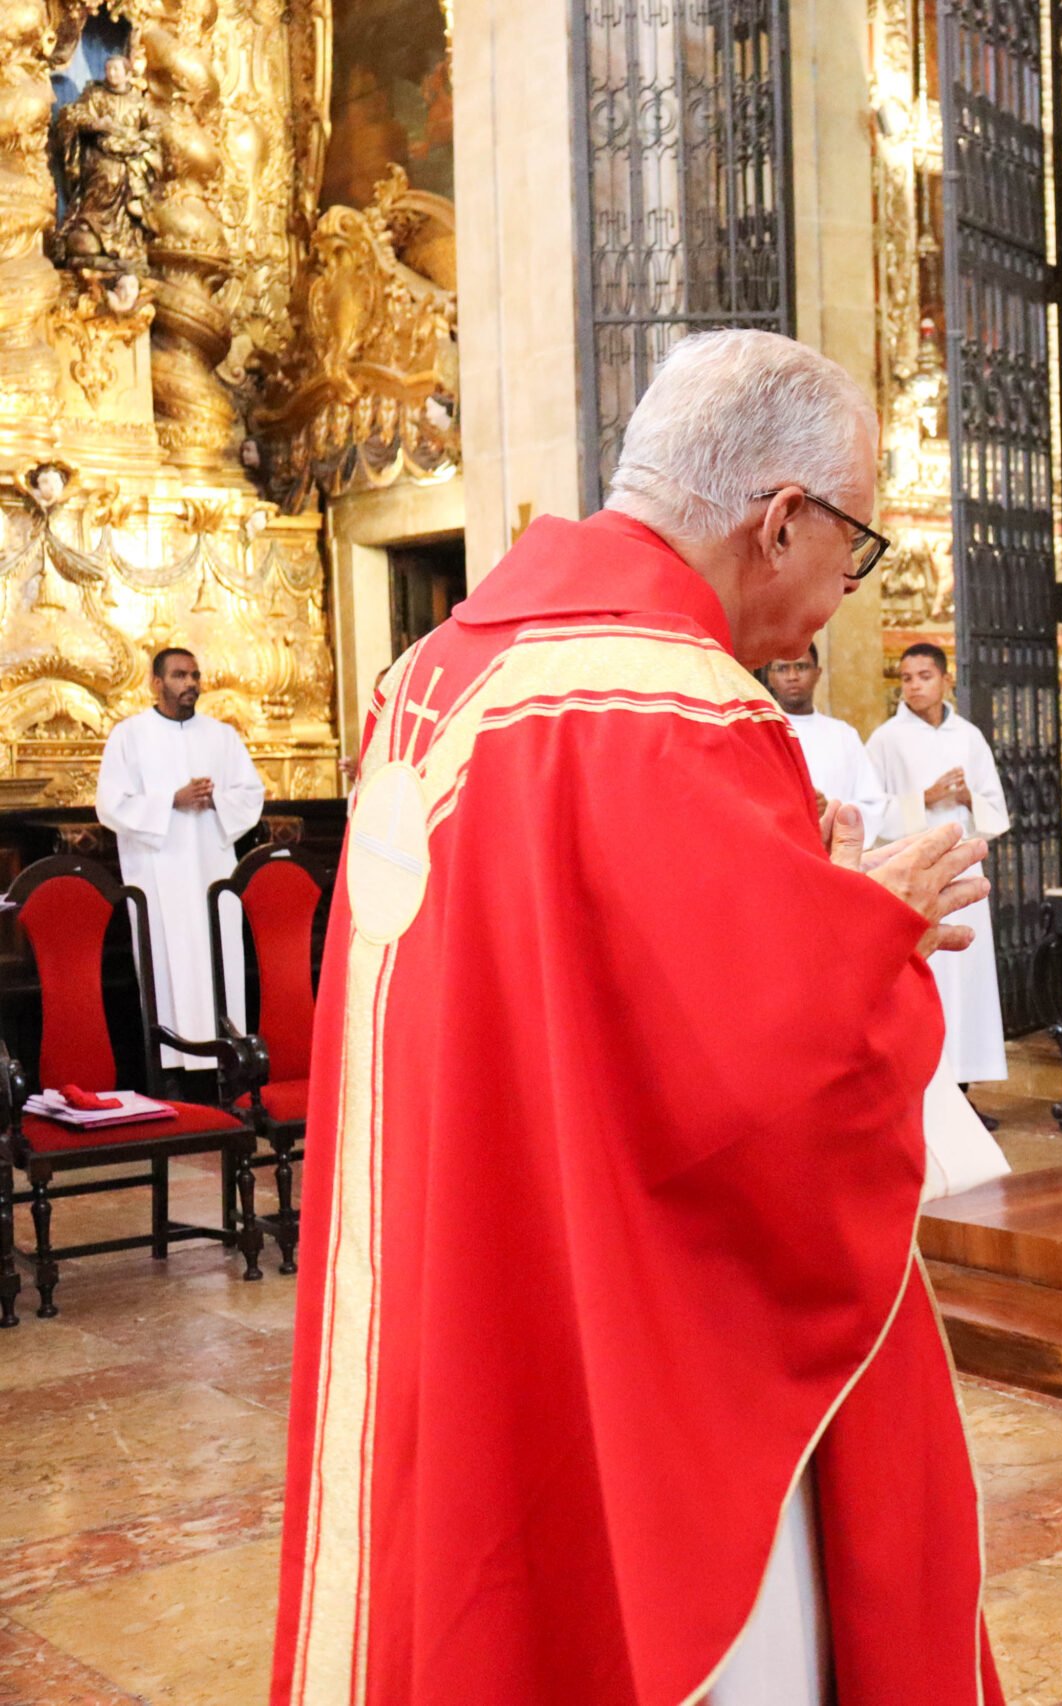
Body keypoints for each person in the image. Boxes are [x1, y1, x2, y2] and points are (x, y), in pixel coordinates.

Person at [270, 329, 1004, 1706]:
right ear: (780, 520)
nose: (845, 592)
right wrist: (870, 928)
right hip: (645, 1315)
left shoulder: (434, 674)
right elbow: (755, 1083)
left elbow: (591, 976)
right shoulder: (679, 705)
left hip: (458, 1236)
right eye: (855, 546)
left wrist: (796, 895)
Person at [95, 647, 266, 1067]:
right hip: (159, 875)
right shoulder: (129, 736)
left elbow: (251, 794)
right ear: (156, 683)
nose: (190, 683)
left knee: (218, 961)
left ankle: (226, 1061)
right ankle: (172, 1068)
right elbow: (110, 805)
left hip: (212, 869)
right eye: (179, 675)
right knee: (168, 967)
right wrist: (172, 801)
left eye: (194, 675)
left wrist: (215, 801)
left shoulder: (222, 736)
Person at [866, 643, 1010, 1094]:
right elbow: (870, 811)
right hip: (913, 874)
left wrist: (966, 796)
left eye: (924, 676)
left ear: (946, 679)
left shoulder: (969, 737)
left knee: (964, 981)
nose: (914, 686)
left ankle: (963, 1089)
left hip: (962, 874)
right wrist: (924, 799)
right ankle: (926, 1090)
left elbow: (996, 810)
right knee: (926, 979)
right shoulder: (886, 739)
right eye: (906, 678)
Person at [761, 643, 890, 838]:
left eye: (801, 666)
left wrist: (832, 811)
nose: (792, 676)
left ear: (817, 673)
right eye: (782, 668)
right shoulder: (760, 731)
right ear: (770, 677)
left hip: (833, 848)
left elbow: (873, 804)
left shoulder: (843, 735)